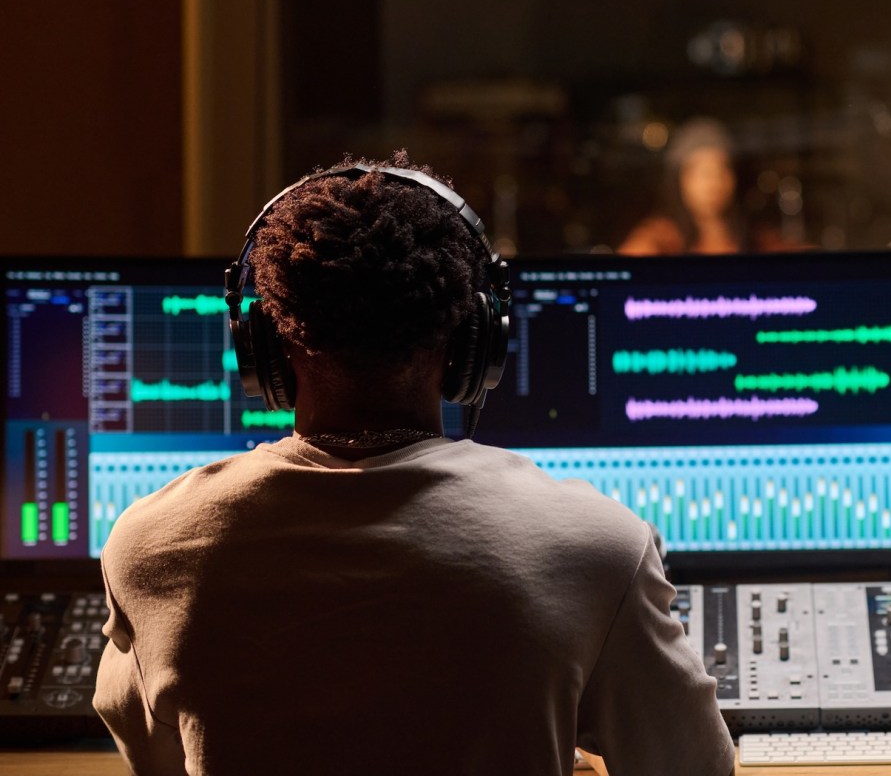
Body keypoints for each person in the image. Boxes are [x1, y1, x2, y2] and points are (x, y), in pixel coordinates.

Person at [93, 152, 735, 776]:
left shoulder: (150, 546)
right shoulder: (601, 550)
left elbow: (156, 757)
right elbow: (694, 767)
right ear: (472, 343)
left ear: (265, 346)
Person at [619, 117, 798, 256]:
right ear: (680, 179)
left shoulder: (758, 239)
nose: (714, 181)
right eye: (702, 172)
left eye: (722, 169)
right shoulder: (659, 241)